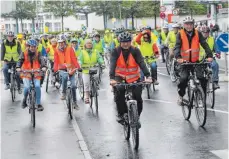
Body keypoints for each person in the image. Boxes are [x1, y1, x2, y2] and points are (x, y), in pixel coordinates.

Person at [109, 31, 152, 125]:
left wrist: (148, 76)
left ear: (130, 41)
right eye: (123, 42)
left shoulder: (135, 50)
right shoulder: (116, 51)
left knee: (138, 97)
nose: (125, 44)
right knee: (119, 92)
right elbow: (112, 65)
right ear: (120, 42)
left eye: (128, 41)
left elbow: (141, 63)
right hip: (119, 77)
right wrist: (112, 78)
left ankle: (136, 117)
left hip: (134, 77)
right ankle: (122, 114)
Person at [174, 16, 213, 105]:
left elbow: (204, 44)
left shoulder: (197, 33)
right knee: (183, 79)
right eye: (187, 24)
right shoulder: (180, 34)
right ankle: (181, 96)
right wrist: (179, 58)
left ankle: (202, 97)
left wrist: (210, 55)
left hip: (196, 61)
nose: (189, 26)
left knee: (201, 78)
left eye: (191, 24)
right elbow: (177, 47)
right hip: (184, 62)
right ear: (184, 25)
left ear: (193, 24)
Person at [16, 39, 46, 111]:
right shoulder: (24, 53)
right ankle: (24, 99)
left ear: (36, 47)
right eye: (31, 47)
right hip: (26, 73)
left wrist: (44, 66)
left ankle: (38, 103)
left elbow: (41, 60)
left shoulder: (38, 53)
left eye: (34, 47)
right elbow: (20, 61)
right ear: (28, 46)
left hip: (36, 73)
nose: (33, 48)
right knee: (27, 87)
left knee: (37, 86)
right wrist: (18, 67)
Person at [54, 35, 81, 109]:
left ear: (65, 42)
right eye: (59, 43)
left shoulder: (70, 49)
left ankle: (75, 103)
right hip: (62, 69)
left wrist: (78, 67)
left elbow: (73, 58)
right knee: (65, 77)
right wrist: (55, 69)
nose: (61, 44)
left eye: (62, 42)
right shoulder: (56, 50)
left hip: (71, 69)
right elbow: (56, 61)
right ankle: (64, 93)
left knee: (73, 86)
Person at [78, 39, 104, 103]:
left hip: (94, 69)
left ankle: (95, 87)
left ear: (92, 45)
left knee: (97, 78)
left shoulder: (95, 51)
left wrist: (102, 63)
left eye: (90, 43)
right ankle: (86, 96)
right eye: (87, 43)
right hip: (85, 70)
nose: (89, 44)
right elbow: (80, 60)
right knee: (86, 83)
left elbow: (99, 58)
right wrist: (80, 64)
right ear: (85, 45)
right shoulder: (82, 52)